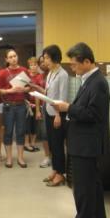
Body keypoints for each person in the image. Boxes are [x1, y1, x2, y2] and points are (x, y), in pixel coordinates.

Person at [54, 42, 109, 218]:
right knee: (92, 182)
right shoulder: (90, 80)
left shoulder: (98, 83)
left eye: (75, 64)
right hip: (85, 141)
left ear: (87, 61)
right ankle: (98, 217)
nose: (72, 67)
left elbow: (93, 114)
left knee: (84, 185)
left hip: (87, 142)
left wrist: (68, 108)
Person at [0, 48, 30, 168]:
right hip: (8, 106)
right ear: (6, 59)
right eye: (10, 57)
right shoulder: (3, 73)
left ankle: (21, 158)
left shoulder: (24, 70)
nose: (13, 58)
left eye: (15, 56)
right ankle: (9, 158)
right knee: (8, 132)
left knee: (21, 131)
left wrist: (24, 89)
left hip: (21, 105)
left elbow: (29, 87)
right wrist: (9, 90)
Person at [42, 45, 69, 187]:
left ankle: (61, 174)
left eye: (47, 58)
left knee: (58, 144)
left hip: (57, 114)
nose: (45, 61)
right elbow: (49, 93)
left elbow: (62, 97)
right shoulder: (51, 72)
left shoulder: (62, 74)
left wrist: (59, 115)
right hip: (48, 111)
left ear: (55, 57)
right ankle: (55, 169)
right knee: (52, 143)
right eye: (44, 58)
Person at [24, 56, 44, 153]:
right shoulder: (26, 75)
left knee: (35, 125)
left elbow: (39, 92)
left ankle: (32, 143)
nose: (33, 67)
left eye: (35, 64)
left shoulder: (41, 76)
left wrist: (38, 110)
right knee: (27, 125)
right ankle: (26, 143)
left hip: (37, 103)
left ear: (38, 66)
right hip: (27, 104)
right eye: (31, 65)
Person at [35, 55, 52, 168]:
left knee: (54, 134)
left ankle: (55, 156)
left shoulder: (53, 75)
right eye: (40, 62)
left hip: (55, 107)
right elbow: (37, 95)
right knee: (44, 134)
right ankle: (47, 156)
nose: (42, 64)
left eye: (44, 61)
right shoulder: (38, 77)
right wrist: (37, 110)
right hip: (43, 107)